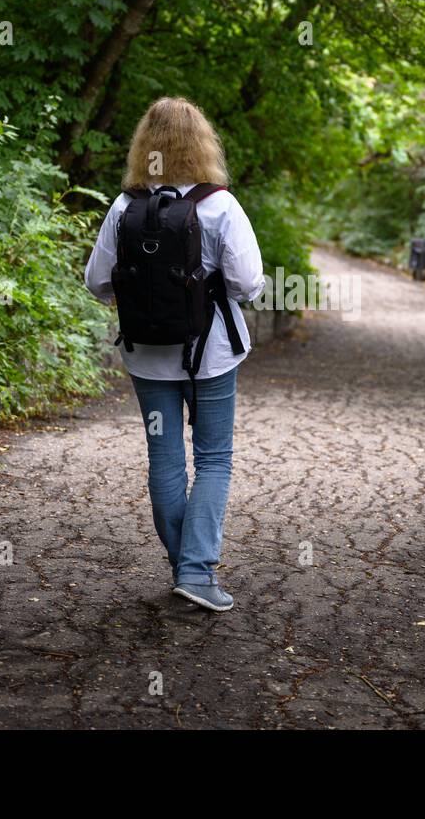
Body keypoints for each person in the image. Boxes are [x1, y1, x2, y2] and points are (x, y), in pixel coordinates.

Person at [84, 97, 265, 612]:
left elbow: (97, 283)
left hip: (148, 357)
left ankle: (184, 567)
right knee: (213, 459)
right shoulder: (220, 205)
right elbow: (248, 283)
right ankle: (196, 570)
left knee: (164, 458)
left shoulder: (125, 207)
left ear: (146, 145)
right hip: (212, 356)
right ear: (202, 144)